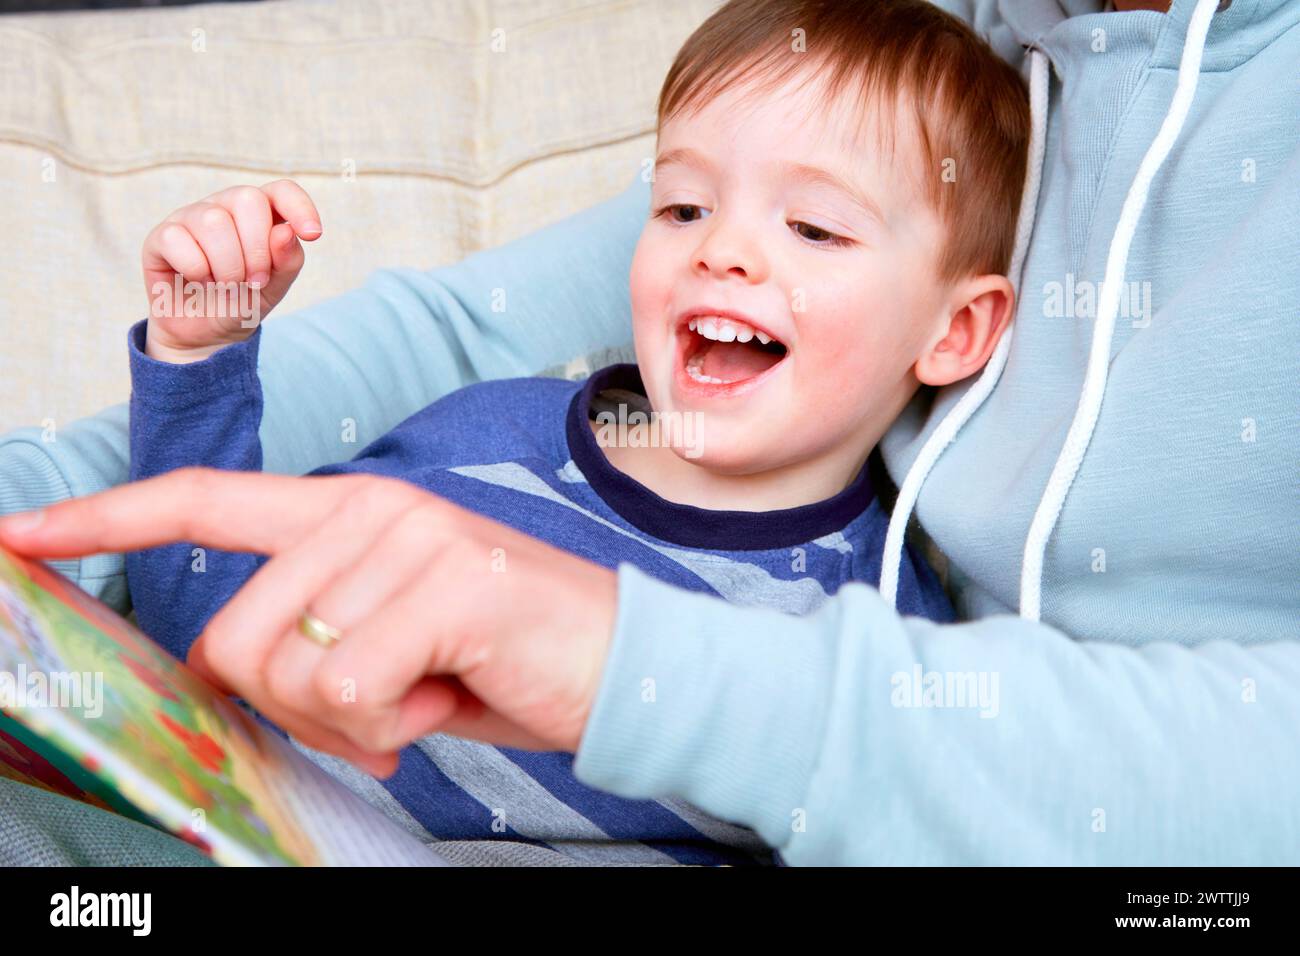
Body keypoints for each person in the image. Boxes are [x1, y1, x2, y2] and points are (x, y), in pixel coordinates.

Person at [0, 0, 1296, 866]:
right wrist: (195, 368)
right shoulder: (489, 437)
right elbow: (193, 618)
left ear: (957, 334)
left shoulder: (885, 627)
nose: (725, 249)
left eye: (816, 230)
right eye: (681, 210)